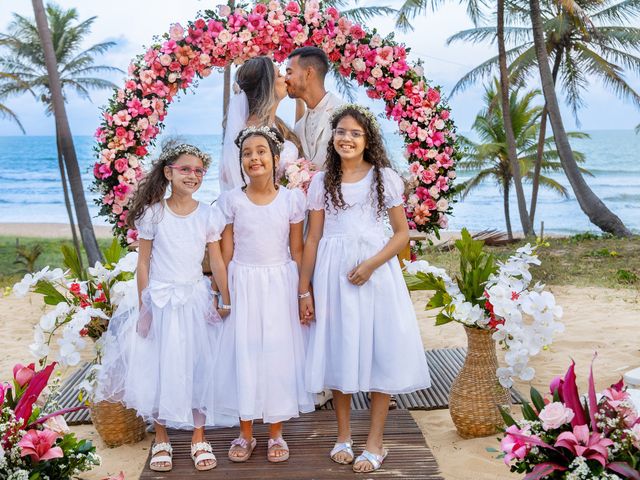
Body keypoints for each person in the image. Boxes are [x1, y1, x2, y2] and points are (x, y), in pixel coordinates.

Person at [298, 105, 431, 473]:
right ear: (333, 137)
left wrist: (372, 264)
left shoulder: (384, 178)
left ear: (367, 139)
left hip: (376, 273)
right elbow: (313, 239)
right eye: (341, 131)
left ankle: (375, 441)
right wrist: (304, 289)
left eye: (356, 133)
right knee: (339, 349)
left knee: (379, 351)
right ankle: (343, 435)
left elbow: (402, 233)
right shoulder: (322, 181)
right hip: (332, 275)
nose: (347, 138)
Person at [95, 142, 232, 472]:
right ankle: (162, 438)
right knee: (159, 368)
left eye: (199, 170)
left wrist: (224, 297)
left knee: (198, 366)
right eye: (185, 169)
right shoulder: (154, 213)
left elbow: (216, 260)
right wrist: (144, 308)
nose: (193, 175)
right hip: (160, 301)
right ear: (168, 172)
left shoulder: (208, 214)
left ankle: (199, 437)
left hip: (195, 299)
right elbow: (143, 264)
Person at [215, 126, 315, 463]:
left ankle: (275, 432)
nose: (254, 158)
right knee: (244, 354)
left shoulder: (292, 199)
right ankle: (245, 433)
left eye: (261, 152)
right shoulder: (231, 200)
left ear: (275, 158)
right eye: (247, 153)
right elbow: (226, 254)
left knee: (276, 355)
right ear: (241, 161)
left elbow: (298, 250)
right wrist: (223, 294)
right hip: (243, 283)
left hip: (279, 284)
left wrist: (304, 293)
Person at [219, 56, 301, 191]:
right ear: (267, 85)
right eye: (279, 75)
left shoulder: (276, 124)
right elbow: (234, 176)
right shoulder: (250, 132)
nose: (285, 78)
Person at [285, 46, 344, 169]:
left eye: (289, 72)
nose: (285, 78)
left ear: (308, 73)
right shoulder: (299, 127)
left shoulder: (344, 113)